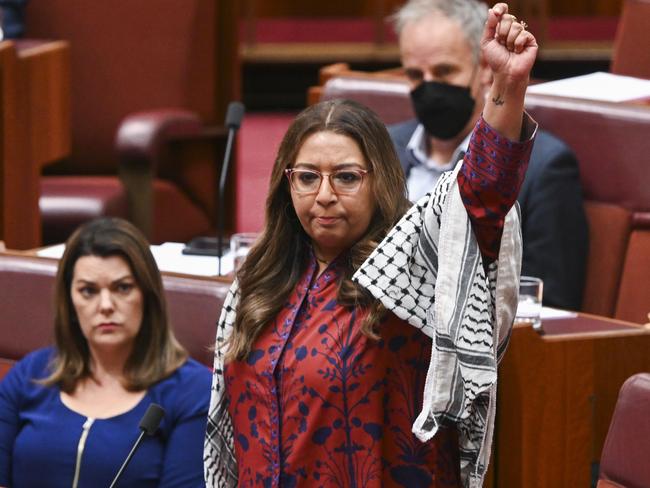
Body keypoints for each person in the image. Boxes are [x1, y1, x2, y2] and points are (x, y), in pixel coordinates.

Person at [205, 4, 535, 487]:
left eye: (345, 177)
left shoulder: (405, 272)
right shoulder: (260, 281)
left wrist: (506, 87)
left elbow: (478, 200)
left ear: (379, 180)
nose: (323, 195)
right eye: (306, 177)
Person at [389, 0, 588, 310]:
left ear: (484, 67)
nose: (429, 88)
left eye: (444, 71)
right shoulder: (384, 148)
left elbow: (548, 302)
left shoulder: (543, 167)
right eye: (416, 74)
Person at [0, 217, 211, 487]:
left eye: (122, 288)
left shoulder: (191, 392)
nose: (106, 305)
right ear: (70, 300)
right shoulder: (30, 375)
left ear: (147, 294)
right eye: (88, 291)